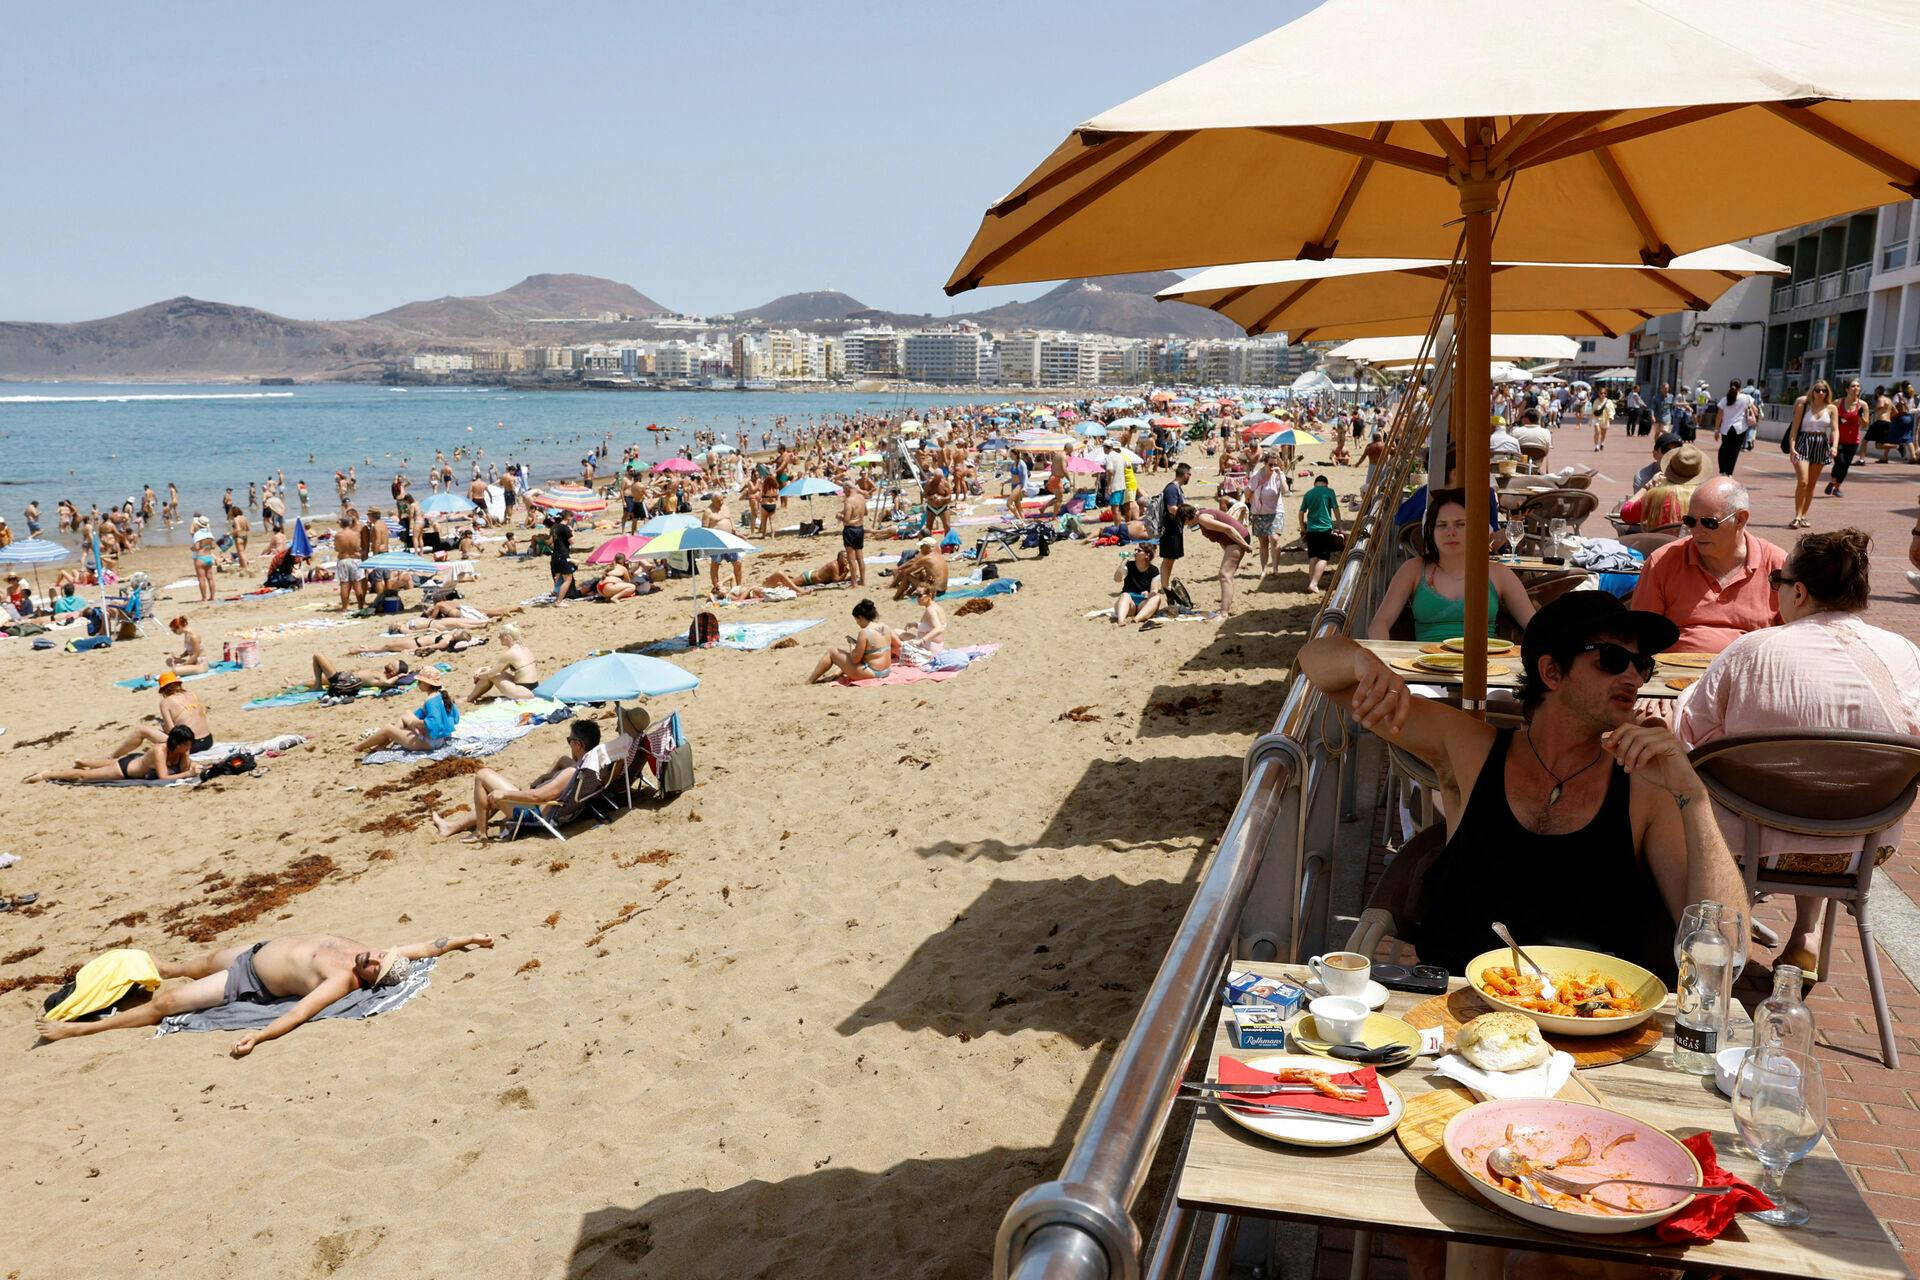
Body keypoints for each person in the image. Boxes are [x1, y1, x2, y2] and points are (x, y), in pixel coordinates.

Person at [1298, 592, 1747, 983]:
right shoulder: (1470, 749)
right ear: (1551, 672)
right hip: (1453, 1004)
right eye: (1612, 660)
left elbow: (1725, 952)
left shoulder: (1645, 785)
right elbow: (1316, 663)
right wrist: (1362, 660)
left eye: (1641, 664)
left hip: (1587, 1019)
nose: (1632, 677)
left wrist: (1694, 795)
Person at [1675, 528, 1920, 981]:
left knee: (1700, 790)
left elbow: (1690, 733)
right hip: (1862, 846)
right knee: (1825, 784)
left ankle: (1712, 935)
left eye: (1777, 583)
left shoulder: (1750, 651)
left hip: (1751, 845)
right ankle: (1806, 933)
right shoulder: (1905, 654)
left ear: (1800, 591)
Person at [34, 932, 494, 1057]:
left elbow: (298, 1014)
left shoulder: (343, 981)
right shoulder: (370, 954)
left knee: (169, 1004)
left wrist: (260, 1037)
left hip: (246, 980)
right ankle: (118, 978)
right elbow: (425, 946)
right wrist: (466, 939)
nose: (373, 955)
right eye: (379, 954)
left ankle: (78, 1030)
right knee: (181, 966)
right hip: (253, 949)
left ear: (372, 980)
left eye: (376, 964)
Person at [1630, 477, 1786, 653]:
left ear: (1740, 519)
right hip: (1675, 675)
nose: (1696, 531)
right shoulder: (1662, 562)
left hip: (1749, 673)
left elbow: (1795, 638)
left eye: (1709, 522)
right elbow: (1641, 637)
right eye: (1690, 521)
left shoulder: (1778, 565)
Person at [1368, 488, 1536, 642]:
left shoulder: (1498, 573)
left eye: (1460, 524)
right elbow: (1379, 624)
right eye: (1442, 525)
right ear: (1431, 532)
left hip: (1485, 670)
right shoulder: (1413, 570)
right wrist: (1383, 659)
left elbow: (1534, 625)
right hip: (1424, 668)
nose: (1451, 532)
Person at [432, 721, 601, 841]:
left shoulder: (572, 771)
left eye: (569, 741)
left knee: (483, 775)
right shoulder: (591, 765)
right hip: (559, 810)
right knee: (492, 797)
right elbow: (563, 761)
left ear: (578, 745)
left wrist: (504, 793)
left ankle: (480, 833)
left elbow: (537, 797)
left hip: (534, 814)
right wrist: (545, 777)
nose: (569, 743)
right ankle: (451, 827)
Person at [29, 724, 203, 785]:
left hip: (136, 762)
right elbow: (164, 777)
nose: (190, 746)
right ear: (176, 743)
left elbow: (184, 767)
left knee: (96, 767)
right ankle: (45, 774)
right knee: (83, 776)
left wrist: (191, 766)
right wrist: (188, 773)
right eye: (187, 744)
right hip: (125, 769)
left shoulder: (182, 750)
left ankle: (83, 761)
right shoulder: (160, 750)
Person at [354, 669, 460, 754]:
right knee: (407, 713)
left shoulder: (430, 701)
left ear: (427, 684)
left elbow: (433, 723)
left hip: (430, 742)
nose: (418, 684)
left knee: (388, 728)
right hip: (440, 738)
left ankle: (359, 747)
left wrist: (414, 723)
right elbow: (455, 717)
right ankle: (382, 745)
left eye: (420, 682)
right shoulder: (442, 694)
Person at [1616, 442, 1706, 533]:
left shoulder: (1656, 495)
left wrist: (1647, 487)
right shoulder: (1702, 496)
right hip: (1690, 545)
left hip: (1659, 544)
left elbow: (1626, 515)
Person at [807, 598, 899, 683]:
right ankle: (835, 674)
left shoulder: (864, 632)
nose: (857, 623)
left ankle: (809, 681)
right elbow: (898, 645)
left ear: (860, 617)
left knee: (831, 652)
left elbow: (855, 659)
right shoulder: (885, 626)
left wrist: (852, 645)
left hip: (872, 673)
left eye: (857, 620)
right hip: (886, 671)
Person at [1187, 502, 1253, 619]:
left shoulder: (1203, 518)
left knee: (1224, 575)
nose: (1187, 526)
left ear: (1188, 518)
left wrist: (1244, 545)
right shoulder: (1202, 516)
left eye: (1185, 523)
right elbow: (1221, 537)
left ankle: (1224, 614)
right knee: (1227, 575)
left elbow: (1229, 529)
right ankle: (1225, 607)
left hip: (1237, 539)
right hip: (1232, 542)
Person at [1783, 378, 1834, 529]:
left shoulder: (1831, 408)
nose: (1820, 393)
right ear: (1812, 391)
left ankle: (1803, 516)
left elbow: (1836, 429)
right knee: (1803, 481)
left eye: (1824, 390)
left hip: (1821, 444)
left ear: (1827, 393)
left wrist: (1835, 446)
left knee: (1811, 484)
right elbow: (1794, 430)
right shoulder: (1803, 406)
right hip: (1803, 443)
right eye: (1817, 390)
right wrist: (1792, 448)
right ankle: (1797, 516)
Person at [468, 623, 539, 703]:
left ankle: (469, 698)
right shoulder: (524, 648)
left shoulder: (509, 654)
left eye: (500, 635)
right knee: (489, 671)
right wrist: (484, 668)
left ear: (507, 637)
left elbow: (490, 674)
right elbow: (499, 668)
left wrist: (478, 675)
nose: (499, 637)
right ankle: (471, 697)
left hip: (523, 691)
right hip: (535, 687)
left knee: (489, 675)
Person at [1246, 450, 1288, 578]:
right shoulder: (1257, 476)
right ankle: (1264, 569)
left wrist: (1280, 474)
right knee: (1263, 542)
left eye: (1275, 464)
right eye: (1270, 464)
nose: (1273, 467)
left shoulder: (1278, 475)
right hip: (1259, 513)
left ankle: (1275, 568)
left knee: (1274, 538)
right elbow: (1247, 492)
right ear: (1264, 463)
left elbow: (1285, 491)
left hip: (1276, 511)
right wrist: (1248, 501)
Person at [1298, 474, 1341, 594]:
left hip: (1311, 530)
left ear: (1314, 484)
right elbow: (1336, 509)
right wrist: (1340, 526)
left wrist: (1303, 528)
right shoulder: (1329, 492)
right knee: (1323, 558)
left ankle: (1312, 582)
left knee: (1313, 557)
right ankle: (1314, 583)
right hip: (1324, 529)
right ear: (1326, 484)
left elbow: (1301, 513)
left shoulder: (1308, 493)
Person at [1827, 378, 1866, 499]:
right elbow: (1827, 417)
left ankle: (1836, 487)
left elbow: (1865, 424)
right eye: (1853, 386)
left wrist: (1860, 416)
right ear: (1847, 389)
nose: (1856, 388)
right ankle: (1833, 482)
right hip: (1837, 438)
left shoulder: (1863, 405)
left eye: (1858, 386)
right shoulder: (1838, 402)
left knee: (1845, 465)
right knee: (1840, 462)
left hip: (1853, 440)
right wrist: (1838, 420)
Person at [306, 653, 415, 694]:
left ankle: (318, 686)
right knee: (315, 679)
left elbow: (387, 683)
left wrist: (400, 676)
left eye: (393, 665)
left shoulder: (382, 678)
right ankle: (295, 684)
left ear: (394, 673)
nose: (390, 664)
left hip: (344, 682)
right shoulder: (382, 672)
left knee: (318, 656)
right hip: (344, 676)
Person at [1111, 544, 1165, 627]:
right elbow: (1117, 579)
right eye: (1135, 550)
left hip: (1143, 603)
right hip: (1129, 602)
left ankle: (1136, 619)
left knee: (1157, 598)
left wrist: (1149, 594)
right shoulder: (1129, 565)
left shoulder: (1153, 570)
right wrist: (1123, 562)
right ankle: (1121, 621)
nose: (1135, 552)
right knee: (1125, 595)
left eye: (1139, 551)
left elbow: (1154, 590)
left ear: (1147, 555)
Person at [1157, 462, 1191, 592]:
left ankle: (1164, 584)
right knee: (1169, 558)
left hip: (1175, 527)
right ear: (1185, 474)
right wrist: (1187, 517)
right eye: (1189, 474)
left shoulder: (1177, 488)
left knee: (1171, 558)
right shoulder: (1172, 488)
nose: (1190, 477)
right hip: (1170, 528)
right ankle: (1164, 585)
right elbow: (1171, 508)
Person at [701, 494, 745, 595]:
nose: (721, 503)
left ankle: (738, 586)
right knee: (716, 564)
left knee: (737, 562)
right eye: (718, 501)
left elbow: (730, 520)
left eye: (722, 500)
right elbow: (704, 528)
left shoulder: (725, 508)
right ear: (712, 501)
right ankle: (717, 587)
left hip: (729, 540)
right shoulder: (708, 511)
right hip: (716, 542)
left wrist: (735, 531)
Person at [1713, 379, 1758, 477]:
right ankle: (1729, 473)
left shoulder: (1725, 399)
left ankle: (1722, 471)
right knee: (1735, 450)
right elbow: (1756, 410)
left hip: (1726, 428)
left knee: (1724, 448)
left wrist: (1716, 429)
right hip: (1740, 428)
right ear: (1740, 387)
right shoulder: (1746, 398)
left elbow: (1719, 415)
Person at [838, 485, 867, 587]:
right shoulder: (861, 497)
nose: (843, 492)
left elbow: (846, 521)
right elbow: (866, 513)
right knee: (860, 557)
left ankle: (854, 583)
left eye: (844, 489)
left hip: (851, 530)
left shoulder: (848, 501)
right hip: (860, 529)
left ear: (848, 489)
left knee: (851, 558)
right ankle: (863, 581)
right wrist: (858, 518)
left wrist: (839, 516)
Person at [1591, 387, 1615, 451]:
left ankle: (1602, 443)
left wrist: (1611, 416)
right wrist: (1591, 419)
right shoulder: (1596, 401)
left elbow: (1611, 410)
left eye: (1604, 393)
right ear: (1599, 394)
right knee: (1597, 432)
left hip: (1605, 419)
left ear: (1606, 394)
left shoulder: (1609, 401)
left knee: (1603, 434)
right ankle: (1596, 446)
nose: (1603, 394)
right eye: (1601, 393)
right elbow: (1593, 410)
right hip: (1596, 419)